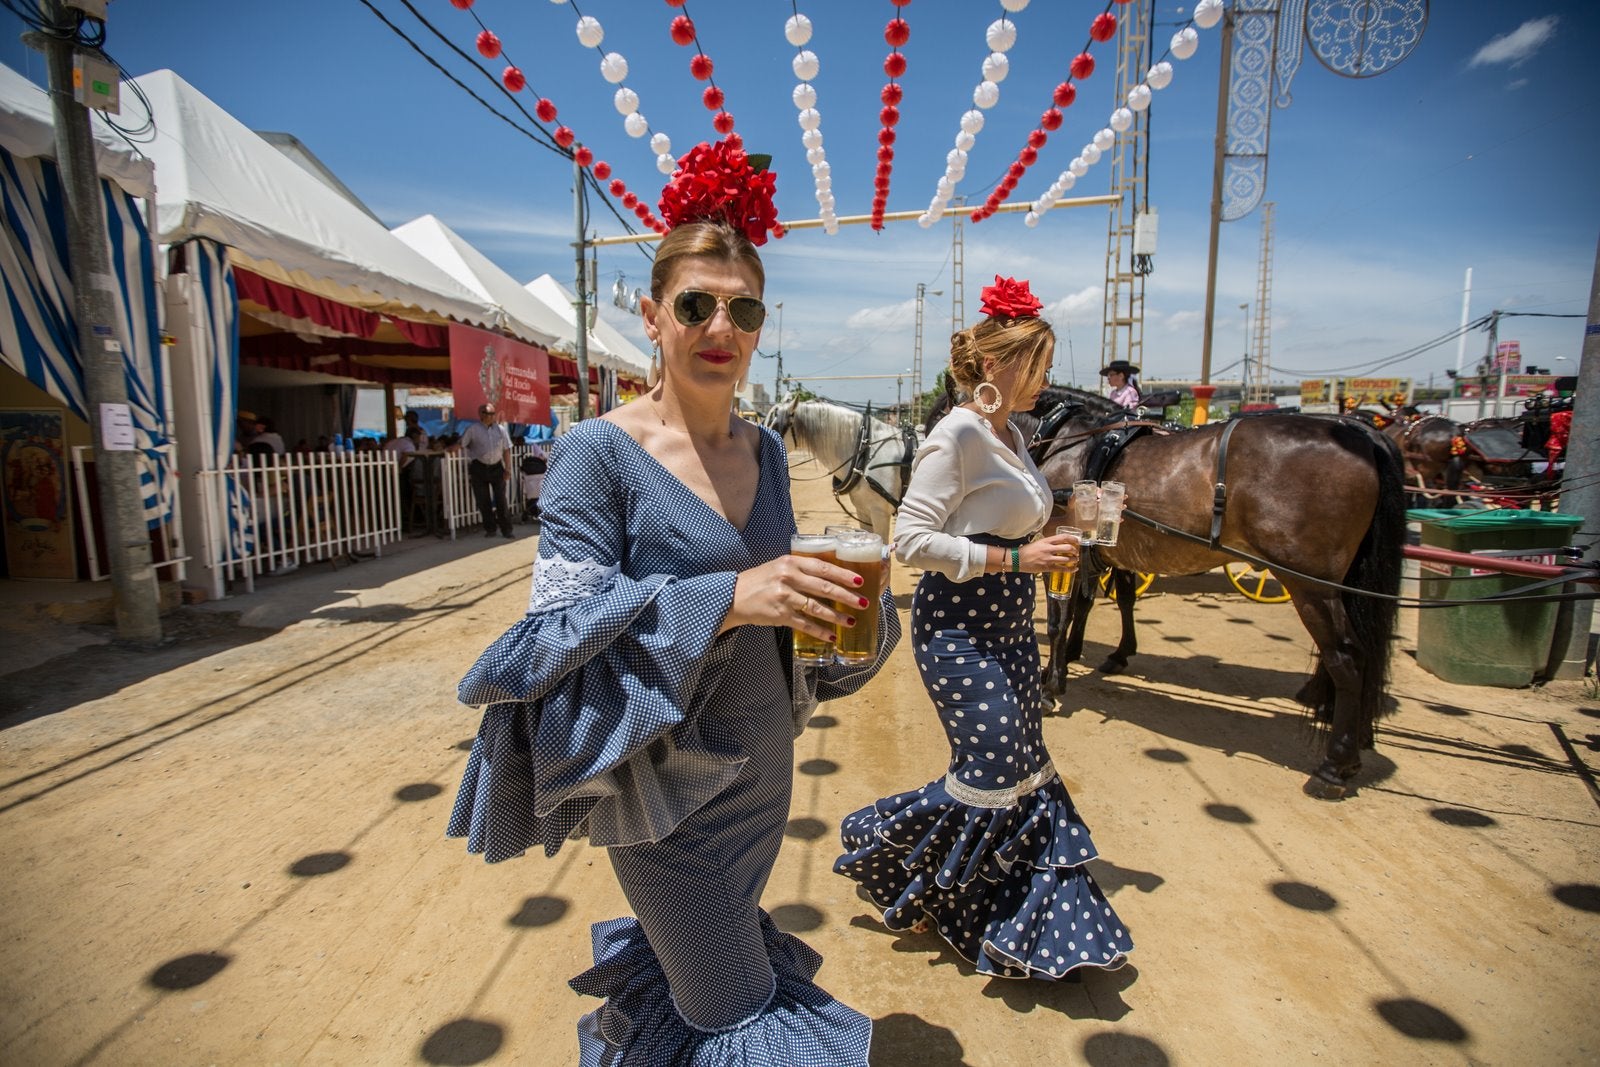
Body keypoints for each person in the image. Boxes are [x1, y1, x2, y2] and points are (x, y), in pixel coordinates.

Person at [447, 138, 899, 1064]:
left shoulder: (767, 451)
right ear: (653, 316)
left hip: (764, 768)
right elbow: (551, 643)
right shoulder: (595, 454)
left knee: (701, 995)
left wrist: (844, 615)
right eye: (696, 304)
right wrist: (731, 594)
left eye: (744, 308)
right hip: (663, 793)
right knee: (737, 1006)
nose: (720, 324)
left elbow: (779, 619)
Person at [834, 275, 1134, 981]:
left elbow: (1000, 521)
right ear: (996, 364)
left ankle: (1010, 920)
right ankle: (883, 845)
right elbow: (911, 541)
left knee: (1024, 767)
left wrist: (1054, 532)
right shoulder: (959, 432)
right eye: (1037, 365)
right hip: (960, 628)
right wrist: (1018, 557)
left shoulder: (1012, 434)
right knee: (993, 768)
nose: (1046, 379)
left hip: (1010, 622)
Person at [456, 402, 515, 539]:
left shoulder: (501, 430)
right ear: (481, 414)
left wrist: (508, 468)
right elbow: (462, 443)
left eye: (493, 413)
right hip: (479, 467)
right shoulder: (473, 429)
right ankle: (490, 528)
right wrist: (452, 448)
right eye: (488, 413)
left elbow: (506, 450)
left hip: (496, 467)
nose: (491, 416)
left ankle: (507, 529)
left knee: (501, 500)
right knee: (483, 500)